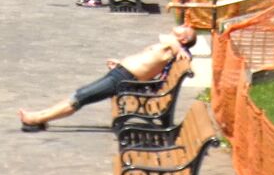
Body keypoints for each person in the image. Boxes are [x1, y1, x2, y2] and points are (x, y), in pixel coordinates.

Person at [18, 25, 197, 131]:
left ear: (183, 39)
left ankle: (37, 118)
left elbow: (178, 49)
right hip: (121, 74)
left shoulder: (172, 47)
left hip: (123, 79)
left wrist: (180, 48)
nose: (184, 24)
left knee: (80, 96)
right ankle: (40, 116)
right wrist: (121, 62)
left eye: (186, 28)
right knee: (81, 94)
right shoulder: (171, 46)